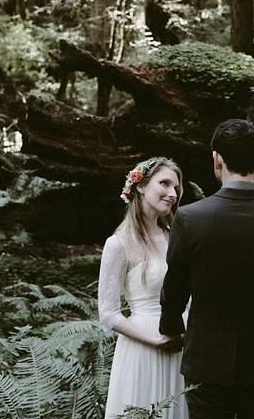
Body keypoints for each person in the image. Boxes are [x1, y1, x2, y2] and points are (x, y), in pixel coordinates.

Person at [159, 119, 254, 419]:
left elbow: (174, 290)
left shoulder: (189, 218)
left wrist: (171, 327)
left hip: (207, 363)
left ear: (216, 158)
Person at [99, 157, 188, 419]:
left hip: (183, 342)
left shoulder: (176, 237)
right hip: (144, 345)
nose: (172, 194)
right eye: (165, 184)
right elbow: (108, 313)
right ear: (140, 186)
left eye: (176, 188)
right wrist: (156, 340)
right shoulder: (118, 244)